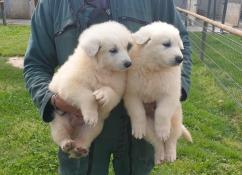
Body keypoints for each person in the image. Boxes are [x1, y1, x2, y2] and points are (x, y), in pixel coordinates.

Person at [23, 0, 192, 175]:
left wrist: (171, 94)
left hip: (138, 127)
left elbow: (181, 45)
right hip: (80, 126)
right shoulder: (52, 4)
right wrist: (53, 100)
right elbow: (36, 64)